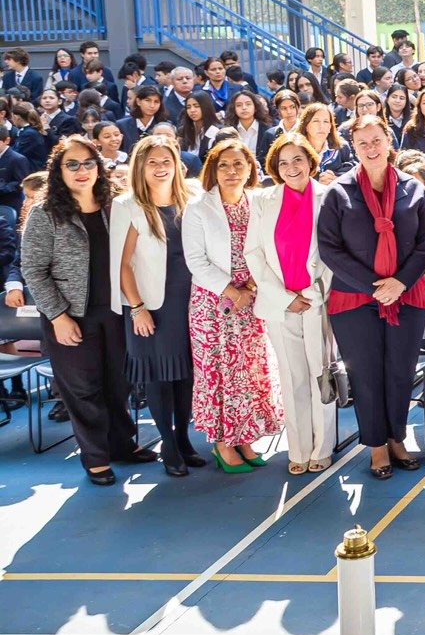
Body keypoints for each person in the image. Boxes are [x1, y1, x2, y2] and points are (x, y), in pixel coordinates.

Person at [21, 135, 147, 484]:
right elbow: (33, 269)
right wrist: (58, 316)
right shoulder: (45, 213)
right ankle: (95, 458)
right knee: (83, 388)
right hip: (70, 315)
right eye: (72, 164)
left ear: (99, 167)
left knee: (118, 384)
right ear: (58, 171)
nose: (81, 170)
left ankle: (123, 446)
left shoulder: (115, 206)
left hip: (115, 311)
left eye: (88, 163)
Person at [318, 115, 425, 480]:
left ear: (389, 143)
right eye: (363, 143)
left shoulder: (413, 189)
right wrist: (376, 285)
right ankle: (376, 447)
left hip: (406, 296)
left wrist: (399, 282)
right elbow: (329, 248)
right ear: (354, 148)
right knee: (367, 375)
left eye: (376, 140)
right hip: (355, 300)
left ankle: (396, 438)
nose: (371, 149)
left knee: (399, 372)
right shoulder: (338, 192)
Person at [183, 139, 283, 472]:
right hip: (212, 306)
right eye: (224, 164)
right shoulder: (198, 207)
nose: (231, 171)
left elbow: (268, 248)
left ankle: (245, 439)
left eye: (239, 164)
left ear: (250, 169)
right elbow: (195, 261)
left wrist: (250, 287)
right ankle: (222, 444)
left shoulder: (258, 202)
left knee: (248, 373)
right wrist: (230, 290)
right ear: (212, 168)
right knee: (220, 375)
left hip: (251, 300)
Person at [243, 134, 336, 476]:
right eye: (283, 162)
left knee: (319, 374)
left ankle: (322, 447)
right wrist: (284, 297)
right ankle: (298, 448)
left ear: (310, 161)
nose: (291, 167)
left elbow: (334, 250)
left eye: (297, 159)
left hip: (316, 301)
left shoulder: (329, 197)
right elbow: (253, 252)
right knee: (292, 376)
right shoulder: (263, 200)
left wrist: (312, 294)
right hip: (279, 304)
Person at [111, 135, 202, 478]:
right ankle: (167, 445)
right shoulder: (127, 205)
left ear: (177, 165)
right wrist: (137, 308)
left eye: (166, 161)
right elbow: (122, 265)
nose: (160, 168)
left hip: (190, 303)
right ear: (140, 167)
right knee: (159, 379)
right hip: (150, 306)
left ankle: (184, 439)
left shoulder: (191, 198)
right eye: (152, 162)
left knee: (185, 378)